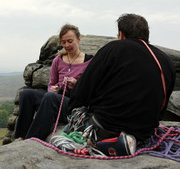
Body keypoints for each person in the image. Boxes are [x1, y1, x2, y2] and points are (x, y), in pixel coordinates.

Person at [67, 14, 176, 155]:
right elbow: (161, 108)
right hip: (143, 134)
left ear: (121, 34)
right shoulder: (165, 60)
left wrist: (72, 113)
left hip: (105, 128)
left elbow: (82, 90)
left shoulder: (113, 49)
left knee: (47, 99)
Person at [14, 24, 93, 141]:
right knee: (26, 94)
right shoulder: (58, 60)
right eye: (63, 42)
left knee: (50, 97)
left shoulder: (89, 61)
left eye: (70, 41)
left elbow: (91, 89)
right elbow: (52, 83)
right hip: (56, 101)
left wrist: (76, 84)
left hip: (74, 107)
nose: (67, 45)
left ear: (79, 39)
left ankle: (33, 139)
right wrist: (52, 89)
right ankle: (21, 137)